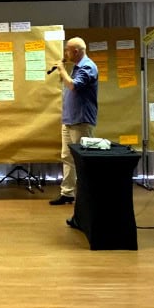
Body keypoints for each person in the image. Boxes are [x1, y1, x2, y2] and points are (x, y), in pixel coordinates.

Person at [50, 37, 98, 206]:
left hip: (81, 120)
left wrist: (62, 69)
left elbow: (74, 86)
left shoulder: (88, 67)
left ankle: (88, 194)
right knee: (67, 157)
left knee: (83, 158)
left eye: (67, 50)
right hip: (70, 119)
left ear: (76, 51)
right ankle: (67, 193)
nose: (65, 53)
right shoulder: (77, 67)